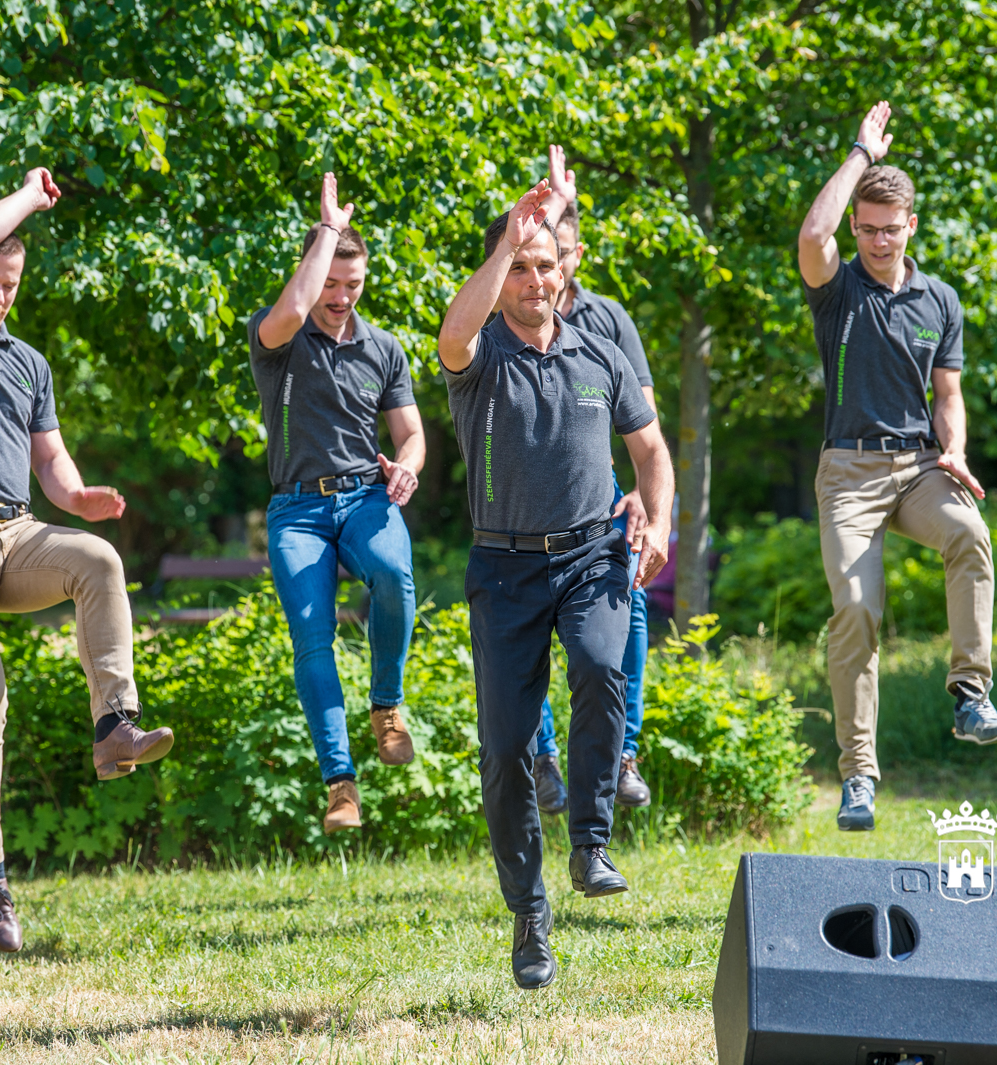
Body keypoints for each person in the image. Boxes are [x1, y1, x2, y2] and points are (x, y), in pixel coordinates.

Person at [0, 167, 174, 953]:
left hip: (14, 534)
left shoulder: (28, 363)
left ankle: (116, 725)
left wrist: (79, 499)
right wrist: (29, 196)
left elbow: (50, 461)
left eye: (9, 284)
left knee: (99, 560)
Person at [438, 146, 674, 990]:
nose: (536, 280)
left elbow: (651, 451)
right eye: (522, 268)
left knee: (607, 665)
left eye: (546, 266)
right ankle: (529, 909)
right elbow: (452, 332)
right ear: (504, 274)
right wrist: (510, 235)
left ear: (564, 273)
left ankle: (592, 841)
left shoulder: (599, 352)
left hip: (591, 555)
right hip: (504, 572)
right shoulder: (480, 364)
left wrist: (660, 517)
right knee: (503, 752)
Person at [796, 101, 997, 833]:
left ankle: (970, 694)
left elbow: (947, 394)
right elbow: (811, 233)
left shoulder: (939, 300)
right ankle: (858, 775)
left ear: (912, 226)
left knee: (971, 536)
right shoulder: (838, 291)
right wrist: (860, 152)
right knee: (857, 609)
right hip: (849, 475)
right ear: (856, 227)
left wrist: (953, 450)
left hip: (921, 467)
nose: (880, 240)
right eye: (869, 228)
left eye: (892, 228)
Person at [249, 173, 425, 835]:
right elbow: (290, 311)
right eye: (331, 283)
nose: (341, 297)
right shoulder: (280, 338)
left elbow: (411, 434)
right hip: (297, 511)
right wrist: (325, 232)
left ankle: (387, 706)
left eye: (353, 285)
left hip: (363, 498)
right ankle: (340, 783)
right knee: (311, 637)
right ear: (311, 274)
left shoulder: (382, 348)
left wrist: (406, 467)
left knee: (394, 575)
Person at [530, 200, 658, 816]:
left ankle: (624, 754)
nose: (559, 264)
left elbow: (645, 424)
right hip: (524, 509)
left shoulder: (609, 321)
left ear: (576, 256)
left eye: (567, 251)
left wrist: (641, 496)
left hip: (603, 494)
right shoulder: (510, 322)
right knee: (523, 625)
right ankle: (543, 754)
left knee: (626, 606)